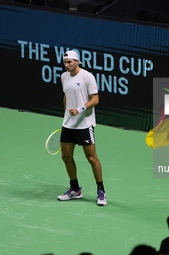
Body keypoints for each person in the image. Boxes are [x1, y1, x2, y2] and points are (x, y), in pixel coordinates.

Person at [57, 50, 107, 206]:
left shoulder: (87, 76)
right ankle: (75, 189)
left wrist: (79, 109)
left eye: (70, 62)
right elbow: (66, 95)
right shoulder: (64, 77)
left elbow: (95, 99)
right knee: (66, 157)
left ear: (77, 61)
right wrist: (67, 113)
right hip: (68, 124)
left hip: (84, 124)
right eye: (65, 62)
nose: (67, 65)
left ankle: (101, 191)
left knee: (91, 158)